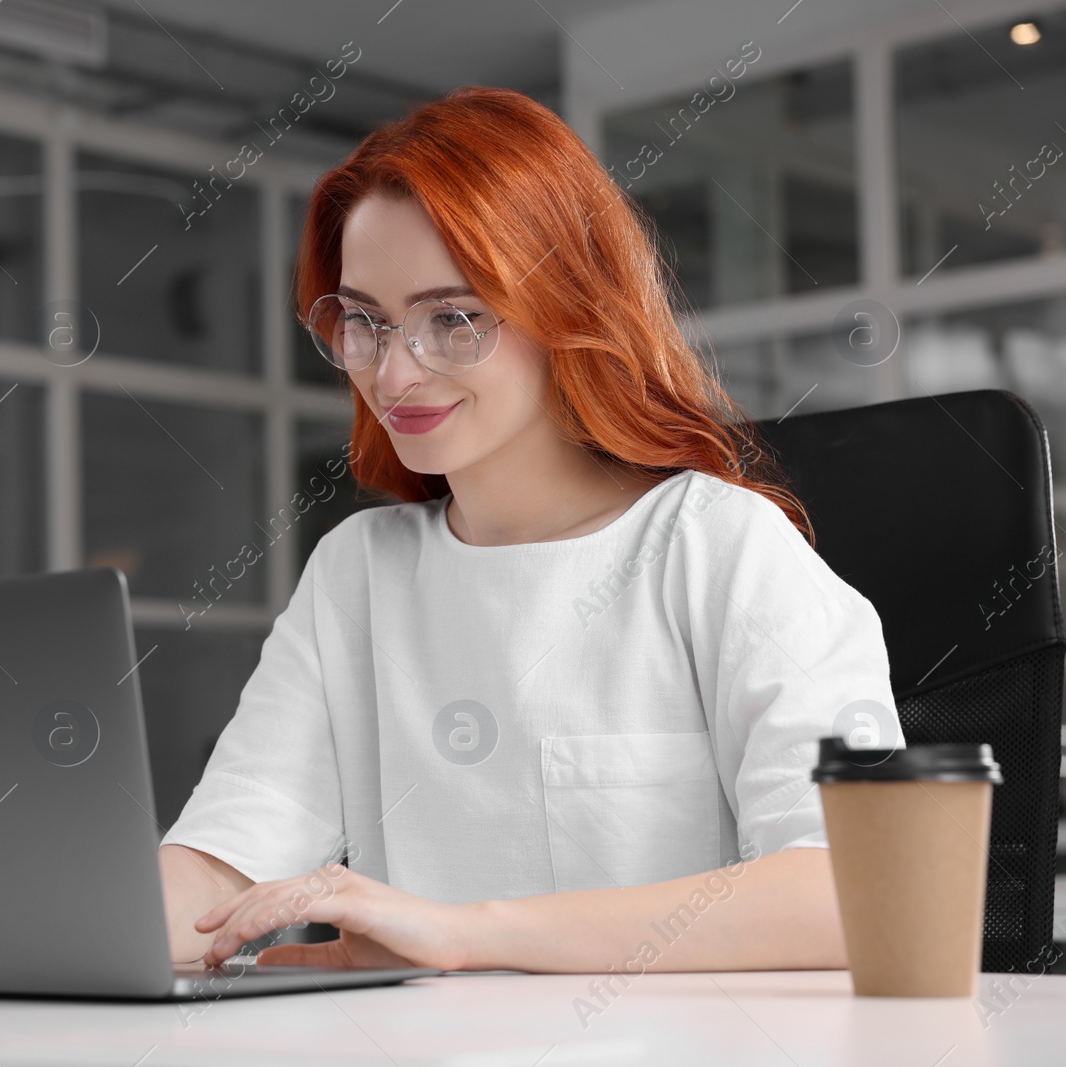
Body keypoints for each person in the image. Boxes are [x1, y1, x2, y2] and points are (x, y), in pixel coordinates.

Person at [157, 86, 901, 974]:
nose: (395, 371)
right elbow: (219, 864)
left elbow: (861, 894)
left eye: (454, 319)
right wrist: (55, 923)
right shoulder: (357, 572)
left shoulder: (718, 548)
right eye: (365, 322)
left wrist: (463, 936)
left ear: (568, 310)